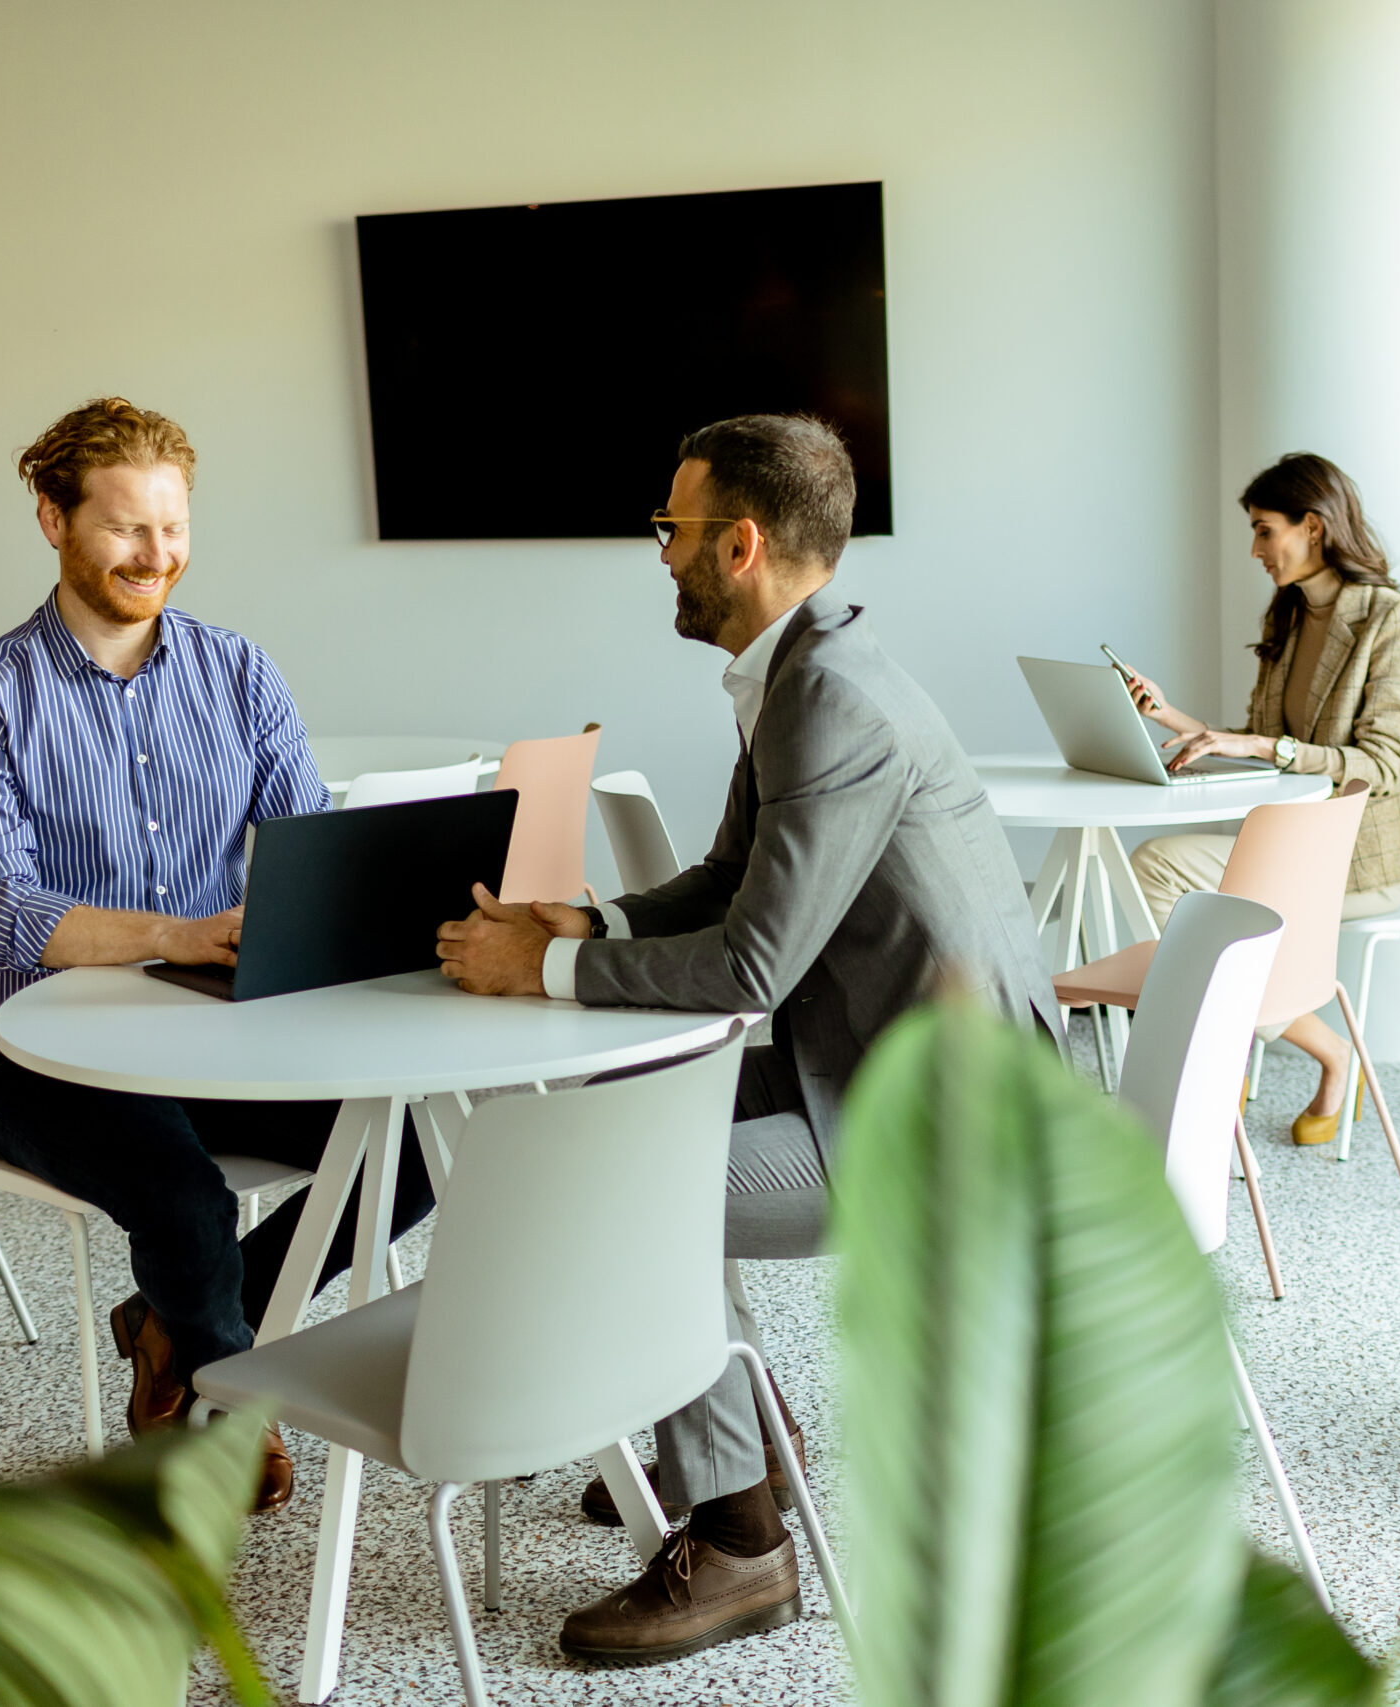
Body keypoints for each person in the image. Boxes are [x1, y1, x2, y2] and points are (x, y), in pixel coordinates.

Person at [438, 413, 1057, 1668]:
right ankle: (726, 1429)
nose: (658, 553)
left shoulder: (825, 695)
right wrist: (590, 918)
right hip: (886, 1054)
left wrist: (543, 966)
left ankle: (739, 1543)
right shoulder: (805, 665)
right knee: (614, 1126)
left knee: (633, 1201)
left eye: (670, 529)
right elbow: (731, 880)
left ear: (739, 543)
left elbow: (752, 964)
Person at [0, 397, 435, 1510]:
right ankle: (222, 1400)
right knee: (186, 1203)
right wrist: (173, 937)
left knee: (416, 1150)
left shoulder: (239, 672)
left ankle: (188, 1322)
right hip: (48, 1058)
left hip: (221, 1033)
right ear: (53, 521)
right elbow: (0, 908)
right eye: (126, 529)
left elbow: (306, 851)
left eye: (174, 528)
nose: (159, 557)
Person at [1120, 453, 1400, 1147]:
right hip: (1291, 850)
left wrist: (1260, 749)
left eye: (1266, 531)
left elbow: (1383, 762)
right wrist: (1174, 719)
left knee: (1160, 873)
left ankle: (1237, 1043)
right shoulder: (1291, 616)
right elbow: (1265, 738)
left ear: (1314, 528)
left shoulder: (1394, 620)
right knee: (1167, 883)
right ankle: (1326, 1050)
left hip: (1361, 860)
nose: (1256, 550)